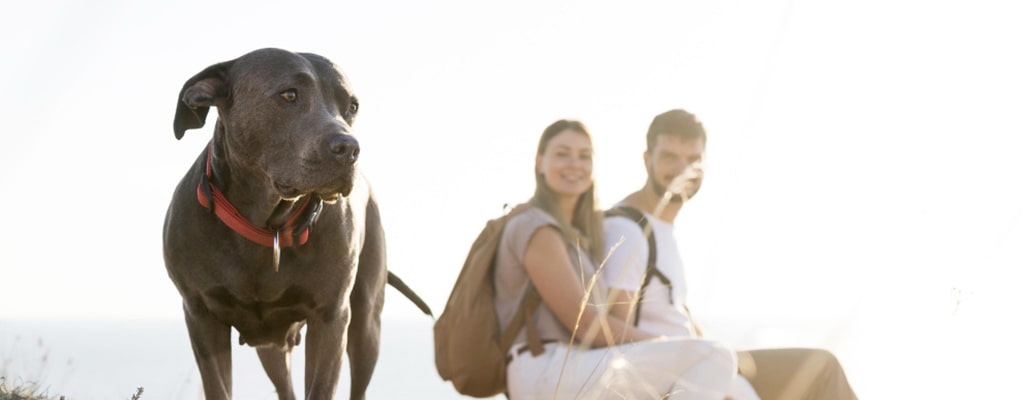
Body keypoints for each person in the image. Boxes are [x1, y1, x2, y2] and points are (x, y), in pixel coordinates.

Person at [602, 109, 858, 400]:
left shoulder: (661, 226)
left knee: (821, 368)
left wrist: (709, 345)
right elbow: (614, 336)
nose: (682, 169)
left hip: (702, 357)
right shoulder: (628, 229)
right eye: (670, 157)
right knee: (821, 368)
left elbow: (670, 311)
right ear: (647, 160)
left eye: (693, 159)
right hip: (682, 371)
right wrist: (703, 359)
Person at [496, 119, 742, 400]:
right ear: (539, 162)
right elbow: (587, 324)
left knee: (721, 370)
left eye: (584, 156)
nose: (574, 164)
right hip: (543, 368)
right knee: (714, 356)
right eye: (562, 154)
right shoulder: (535, 226)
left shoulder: (572, 233)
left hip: (568, 366)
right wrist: (670, 344)